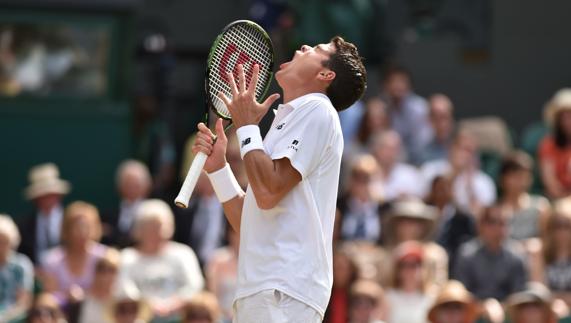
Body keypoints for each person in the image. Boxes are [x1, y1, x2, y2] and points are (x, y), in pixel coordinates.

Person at [192, 36, 366, 322]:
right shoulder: (289, 121)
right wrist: (219, 169)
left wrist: (248, 127)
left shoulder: (318, 108)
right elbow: (252, 222)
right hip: (264, 290)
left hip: (283, 290)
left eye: (316, 49)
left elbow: (268, 190)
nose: (303, 47)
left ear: (325, 74)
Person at [120, 199, 204, 322]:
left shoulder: (183, 253)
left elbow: (195, 285)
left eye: (160, 227)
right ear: (139, 230)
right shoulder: (127, 257)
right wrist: (148, 305)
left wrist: (174, 304)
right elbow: (124, 288)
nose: (156, 233)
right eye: (150, 228)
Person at [40, 201, 107, 307]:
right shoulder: (52, 259)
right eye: (77, 227)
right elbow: (50, 295)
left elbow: (106, 290)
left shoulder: (104, 257)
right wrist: (67, 297)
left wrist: (85, 296)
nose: (82, 232)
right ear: (67, 230)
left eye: (87, 226)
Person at [455, 206, 527, 302]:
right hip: (471, 311)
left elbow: (518, 295)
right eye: (492, 222)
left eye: (502, 223)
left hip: (507, 313)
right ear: (480, 225)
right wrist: (482, 308)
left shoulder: (516, 256)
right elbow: (461, 292)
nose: (498, 228)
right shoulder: (467, 254)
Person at [421, 130, 496, 215]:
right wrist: (453, 174)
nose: (465, 155)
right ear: (451, 148)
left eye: (470, 151)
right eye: (462, 149)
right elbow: (422, 202)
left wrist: (470, 187)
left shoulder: (483, 182)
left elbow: (480, 216)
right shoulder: (430, 169)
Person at [382, 199, 449, 289]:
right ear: (396, 225)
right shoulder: (384, 254)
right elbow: (381, 286)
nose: (408, 226)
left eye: (415, 222)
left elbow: (439, 284)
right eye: (403, 221)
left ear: (423, 226)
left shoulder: (436, 254)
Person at [18, 163, 71, 264]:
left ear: (58, 195)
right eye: (43, 195)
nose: (48, 199)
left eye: (50, 194)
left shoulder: (70, 220)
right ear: (36, 198)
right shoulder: (24, 226)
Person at [425, 175, 476, 275]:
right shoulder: (424, 214)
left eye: (445, 188)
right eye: (438, 188)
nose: (441, 192)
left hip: (454, 263)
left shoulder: (463, 218)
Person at [380, 66, 431, 164]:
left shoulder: (420, 108)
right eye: (393, 81)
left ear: (409, 86)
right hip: (389, 161)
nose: (397, 85)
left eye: (401, 81)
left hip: (417, 161)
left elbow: (421, 143)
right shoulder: (382, 107)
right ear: (385, 85)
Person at [497, 151, 550, 241]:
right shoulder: (495, 211)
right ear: (503, 179)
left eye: (525, 177)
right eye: (515, 177)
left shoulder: (541, 206)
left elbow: (547, 239)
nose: (521, 182)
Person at [527, 198, 571, 306]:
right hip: (547, 310)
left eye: (567, 226)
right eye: (557, 225)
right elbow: (538, 290)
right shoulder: (538, 252)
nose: (562, 231)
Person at [102, 160, 152, 248]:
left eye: (136, 185)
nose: (131, 188)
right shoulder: (108, 216)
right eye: (128, 184)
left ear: (146, 186)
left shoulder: (152, 214)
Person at [65, 248, 121, 323]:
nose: (106, 276)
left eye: (112, 270)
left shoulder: (124, 304)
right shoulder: (80, 302)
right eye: (102, 270)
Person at [337, 154, 383, 242]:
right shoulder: (338, 206)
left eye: (367, 179)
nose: (362, 184)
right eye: (357, 177)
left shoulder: (384, 209)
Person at [385, 241, 434, 323]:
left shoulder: (432, 298)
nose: (409, 270)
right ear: (397, 270)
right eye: (404, 265)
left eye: (414, 265)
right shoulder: (387, 297)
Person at [370, 131, 423, 201]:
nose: (390, 153)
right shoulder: (366, 173)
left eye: (394, 149)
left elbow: (419, 200)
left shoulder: (410, 174)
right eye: (386, 148)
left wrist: (407, 198)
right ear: (376, 149)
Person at [0, 214, 33, 323]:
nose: (1, 247)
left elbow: (24, 303)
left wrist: (4, 318)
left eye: (4, 242)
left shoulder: (22, 265)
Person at [539, 88, 571, 199]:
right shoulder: (548, 145)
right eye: (563, 117)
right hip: (558, 201)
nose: (567, 122)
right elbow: (549, 181)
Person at [206, 226, 239, 322]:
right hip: (222, 317)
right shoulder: (217, 259)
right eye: (235, 233)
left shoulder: (258, 261)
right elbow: (212, 294)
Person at [325, 246, 360, 323]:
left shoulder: (357, 295)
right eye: (335, 267)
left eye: (342, 268)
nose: (338, 272)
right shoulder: (323, 293)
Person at [418, 94, 456, 164]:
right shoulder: (421, 150)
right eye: (437, 118)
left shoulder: (465, 145)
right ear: (430, 120)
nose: (442, 124)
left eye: (445, 117)